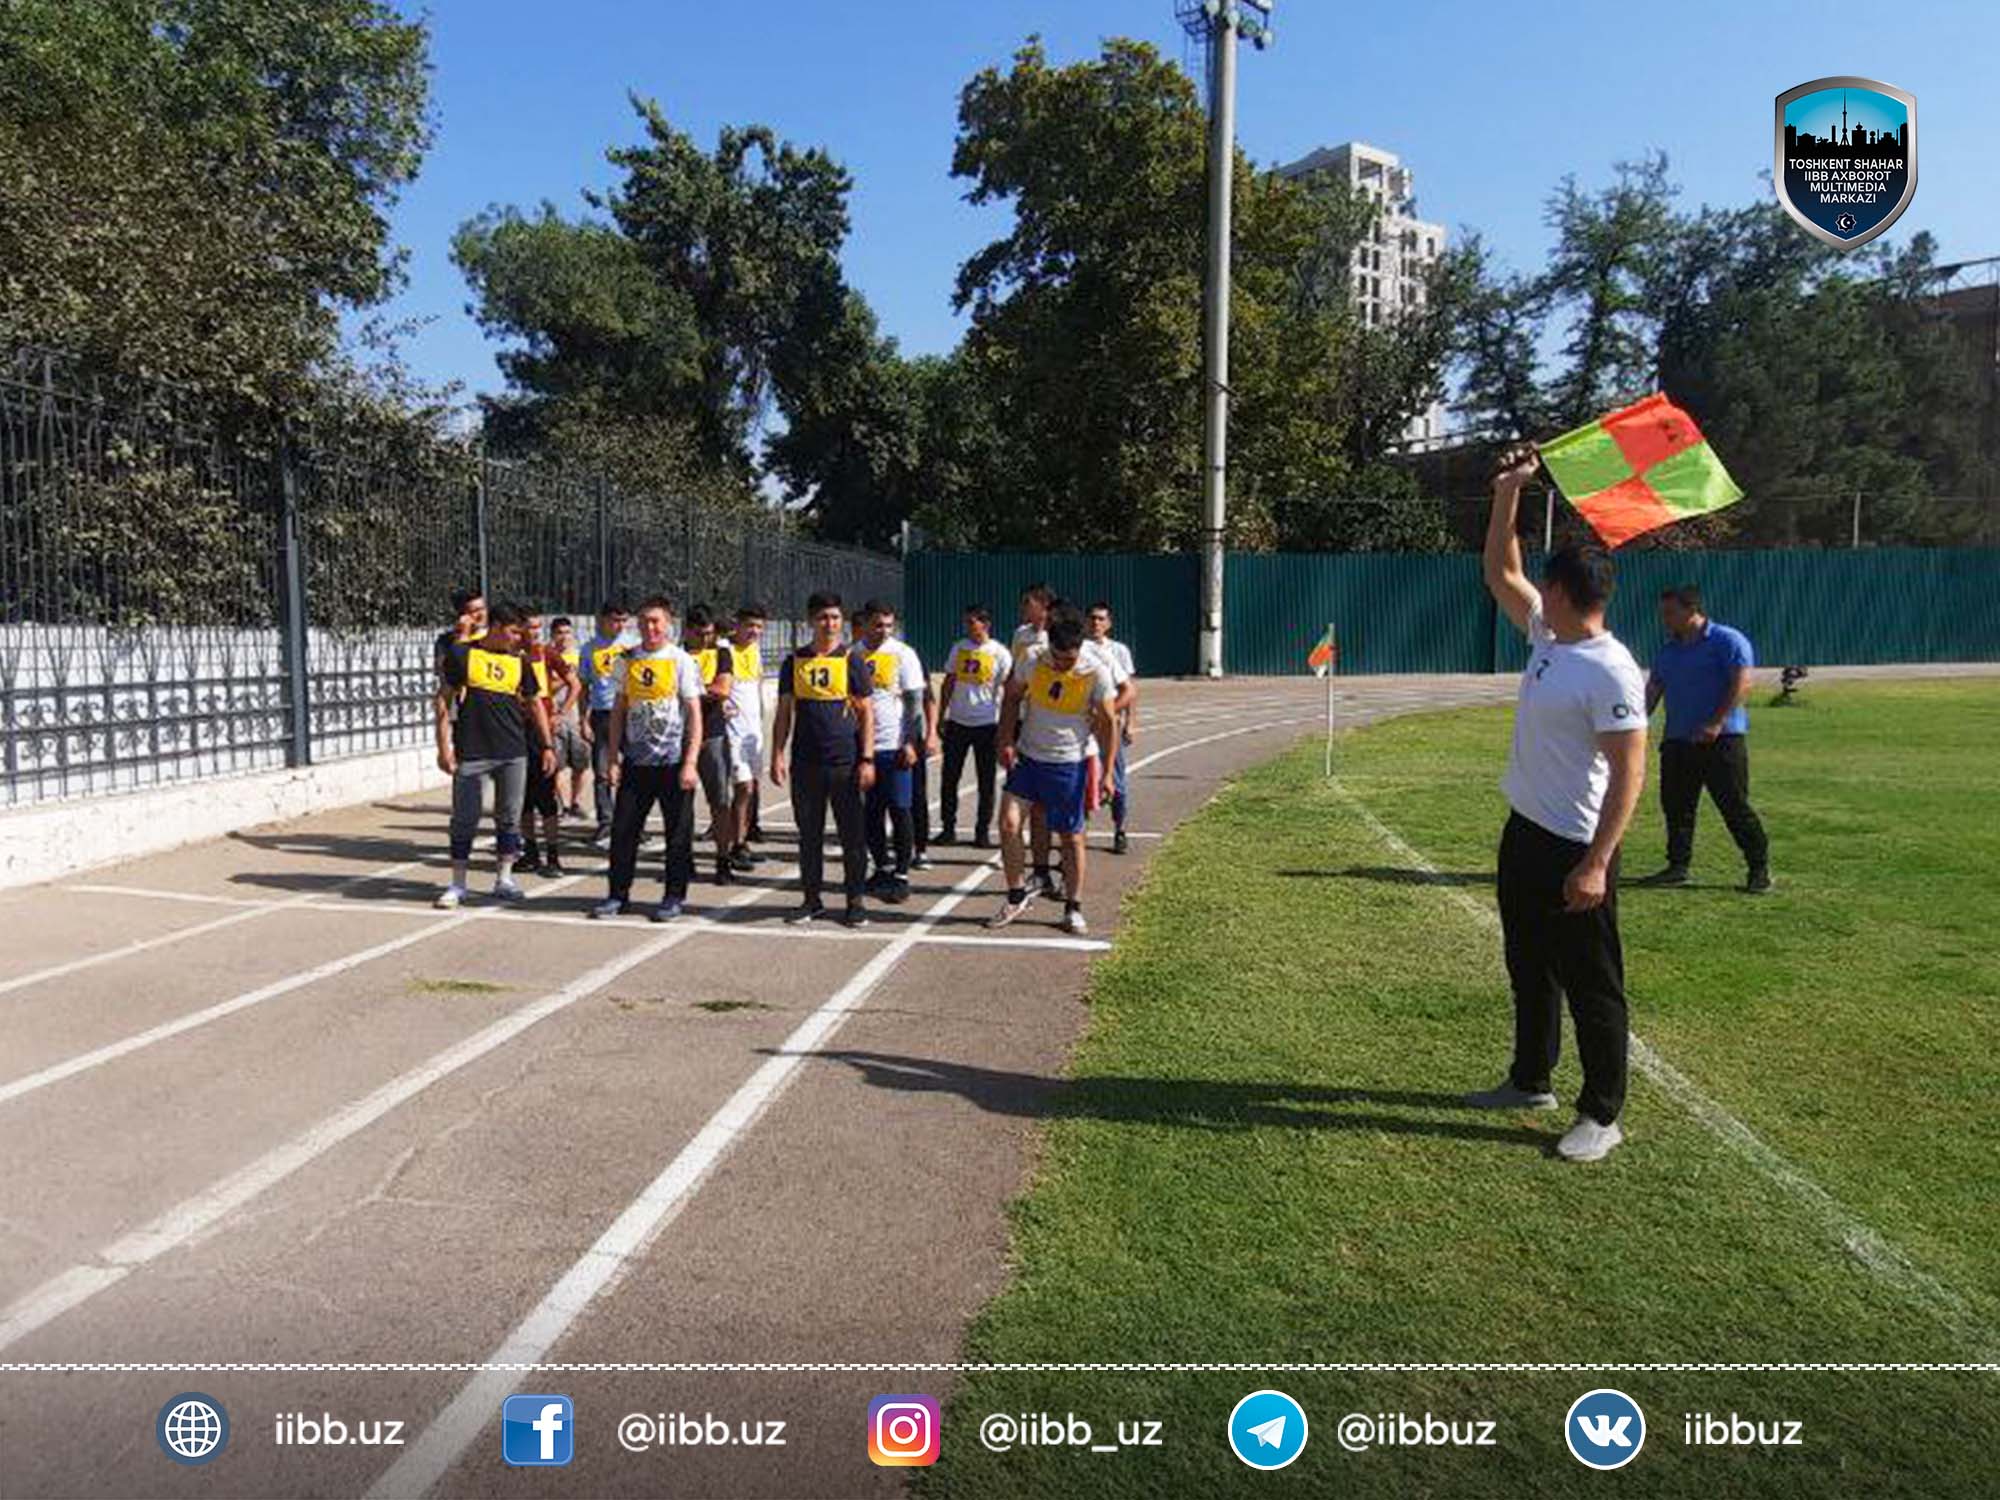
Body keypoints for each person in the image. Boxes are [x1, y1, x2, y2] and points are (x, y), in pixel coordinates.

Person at [1467, 442, 1649, 1164]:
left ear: (1568, 593)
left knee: (1593, 984)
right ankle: (1530, 1078)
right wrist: (1509, 490)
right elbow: (1498, 570)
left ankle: (1603, 1114)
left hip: (1577, 846)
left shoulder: (1611, 670)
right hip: (1526, 832)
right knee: (1528, 962)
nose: (1536, 591)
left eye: (1549, 586)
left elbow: (1631, 773)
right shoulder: (1550, 635)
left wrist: (1598, 863)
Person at [987, 603, 1118, 936]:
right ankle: (1016, 895)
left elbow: (1108, 722)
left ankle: (1073, 907)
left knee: (1071, 838)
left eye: (1069, 659)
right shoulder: (1032, 658)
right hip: (1029, 758)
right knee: (1008, 824)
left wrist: (1106, 772)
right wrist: (1006, 738)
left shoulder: (1095, 670)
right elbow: (1012, 697)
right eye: (1058, 657)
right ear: (1049, 646)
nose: (1062, 665)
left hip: (1069, 763)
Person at [1638, 586, 1772, 893]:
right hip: (1677, 741)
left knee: (1734, 806)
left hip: (1721, 741)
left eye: (1670, 612)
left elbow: (1742, 683)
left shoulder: (1727, 640)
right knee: (1676, 806)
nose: (1664, 619)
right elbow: (1654, 688)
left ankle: (1758, 868)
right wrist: (1636, 723)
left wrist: (1716, 721)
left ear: (1691, 609)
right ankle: (1677, 866)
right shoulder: (1669, 650)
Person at [434, 601, 554, 909]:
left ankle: (504, 879)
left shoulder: (521, 661)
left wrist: (547, 745)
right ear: (498, 627)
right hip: (472, 751)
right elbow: (443, 701)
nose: (519, 638)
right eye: (515, 632)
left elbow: (536, 703)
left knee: (509, 818)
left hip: (513, 751)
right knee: (465, 818)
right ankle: (458, 884)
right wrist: (443, 747)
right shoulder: (463, 654)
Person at [591, 597, 703, 923]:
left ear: (668, 623)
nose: (650, 628)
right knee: (623, 832)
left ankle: (672, 896)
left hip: (673, 763)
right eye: (644, 621)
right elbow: (618, 712)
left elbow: (694, 714)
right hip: (636, 764)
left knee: (678, 834)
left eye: (656, 621)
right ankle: (617, 894)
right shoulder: (627, 660)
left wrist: (690, 762)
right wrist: (612, 758)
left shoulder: (681, 660)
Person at [771, 591, 876, 927]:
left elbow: (866, 713)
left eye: (834, 617)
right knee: (809, 836)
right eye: (822, 618)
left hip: (844, 763)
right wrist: (777, 754)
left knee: (852, 836)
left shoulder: (851, 660)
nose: (829, 624)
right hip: (806, 763)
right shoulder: (795, 661)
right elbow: (784, 713)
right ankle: (811, 899)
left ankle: (855, 901)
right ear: (810, 622)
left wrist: (867, 758)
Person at [858, 601, 927, 904]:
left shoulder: (903, 653)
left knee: (900, 810)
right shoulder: (853, 653)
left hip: (895, 746)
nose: (884, 631)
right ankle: (881, 867)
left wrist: (911, 742)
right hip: (865, 748)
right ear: (865, 624)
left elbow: (914, 701)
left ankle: (901, 873)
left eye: (888, 625)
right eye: (878, 625)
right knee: (871, 811)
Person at [935, 606, 1012, 848]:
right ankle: (948, 828)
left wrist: (1006, 728)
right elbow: (949, 681)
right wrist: (941, 715)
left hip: (987, 724)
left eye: (973, 623)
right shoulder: (959, 648)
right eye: (967, 622)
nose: (969, 627)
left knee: (986, 780)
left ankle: (982, 831)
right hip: (958, 722)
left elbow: (1009, 690)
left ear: (985, 625)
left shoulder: (999, 653)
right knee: (949, 778)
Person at [518, 610, 582, 877]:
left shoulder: (546, 654)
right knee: (522, 799)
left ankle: (553, 855)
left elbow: (575, 684)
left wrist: (560, 712)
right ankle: (530, 852)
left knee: (546, 796)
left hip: (541, 731)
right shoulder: (511, 656)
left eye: (537, 627)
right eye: (529, 627)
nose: (534, 632)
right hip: (515, 732)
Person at [683, 605, 739, 886]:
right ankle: (685, 858)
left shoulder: (721, 653)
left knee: (720, 799)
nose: (706, 639)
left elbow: (723, 689)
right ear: (686, 630)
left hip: (713, 733)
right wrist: (706, 689)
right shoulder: (676, 654)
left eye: (709, 633)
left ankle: (722, 859)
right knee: (682, 802)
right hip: (680, 734)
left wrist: (692, 690)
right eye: (700, 633)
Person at [1085, 601, 1140, 854]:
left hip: (1110, 724)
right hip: (1085, 726)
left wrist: (1130, 721)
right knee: (1084, 778)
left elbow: (1129, 689)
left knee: (1116, 778)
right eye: (1093, 618)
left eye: (1101, 619)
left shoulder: (1118, 651)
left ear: (1109, 623)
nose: (1096, 623)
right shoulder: (1080, 648)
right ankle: (1079, 831)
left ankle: (1119, 828)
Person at [579, 601, 634, 846]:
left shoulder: (632, 645)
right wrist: (583, 719)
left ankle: (632, 821)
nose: (619, 625)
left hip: (630, 714)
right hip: (602, 714)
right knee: (602, 770)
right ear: (602, 620)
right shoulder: (589, 649)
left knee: (633, 769)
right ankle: (606, 820)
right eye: (615, 620)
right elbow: (582, 687)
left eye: (623, 620)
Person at [723, 603, 769, 871]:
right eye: (749, 625)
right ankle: (732, 845)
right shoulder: (724, 649)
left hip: (754, 732)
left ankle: (741, 842)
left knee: (751, 788)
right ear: (736, 624)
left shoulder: (755, 650)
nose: (754, 631)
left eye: (759, 627)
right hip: (733, 733)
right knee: (742, 789)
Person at [548, 616, 590, 818]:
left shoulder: (580, 656)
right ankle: (562, 805)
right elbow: (547, 687)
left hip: (575, 717)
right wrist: (566, 678)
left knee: (581, 763)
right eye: (559, 633)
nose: (564, 637)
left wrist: (586, 717)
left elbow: (585, 688)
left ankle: (576, 802)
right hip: (555, 716)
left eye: (567, 632)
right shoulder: (548, 656)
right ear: (552, 635)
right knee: (558, 765)